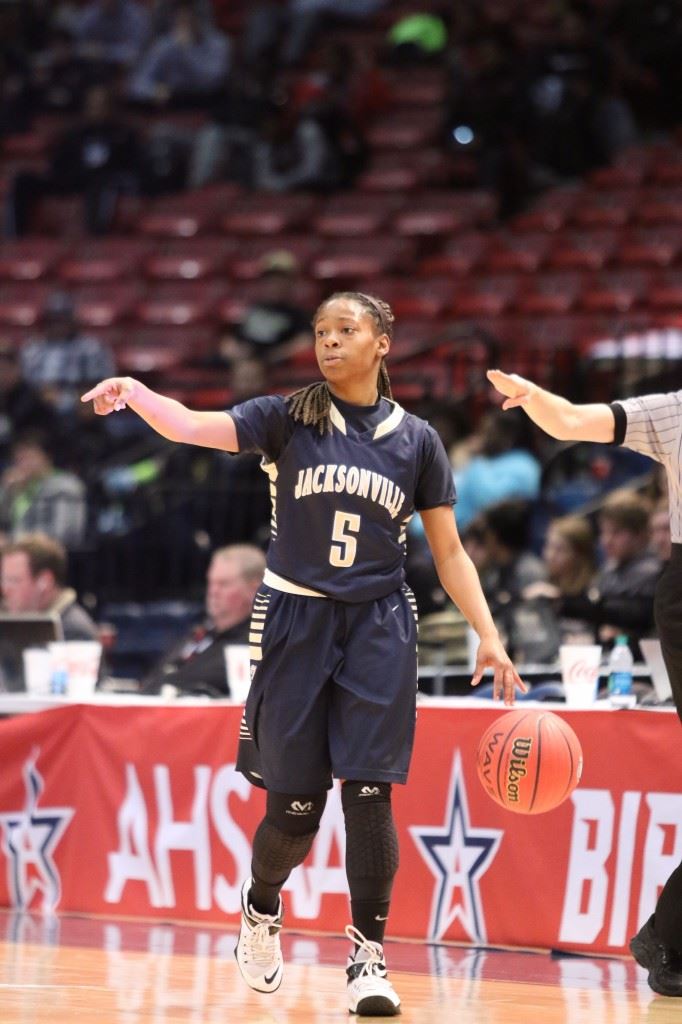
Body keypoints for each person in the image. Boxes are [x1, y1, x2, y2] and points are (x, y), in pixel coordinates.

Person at [82, 291, 523, 1017]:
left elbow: (448, 550)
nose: (329, 343)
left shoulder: (418, 442)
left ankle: (368, 959)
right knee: (294, 812)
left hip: (379, 625)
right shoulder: (286, 418)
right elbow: (194, 426)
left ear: (382, 343)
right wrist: (138, 394)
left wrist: (489, 632)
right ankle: (261, 908)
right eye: (321, 332)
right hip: (294, 621)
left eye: (346, 331)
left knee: (371, 793)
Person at [487, 367, 682, 999]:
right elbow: (574, 420)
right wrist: (540, 401)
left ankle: (667, 935)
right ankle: (668, 936)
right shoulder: (674, 412)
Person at [141, 544, 265, 696]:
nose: (213, 591)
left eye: (223, 584)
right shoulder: (201, 634)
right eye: (211, 582)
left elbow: (200, 677)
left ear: (255, 589)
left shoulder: (258, 642)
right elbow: (156, 678)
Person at [0, 532, 98, 640]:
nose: (4, 590)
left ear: (44, 582)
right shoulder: (25, 621)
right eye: (3, 580)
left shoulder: (72, 631)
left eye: (14, 580)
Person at [0, 431, 88, 548]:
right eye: (18, 459)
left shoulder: (65, 486)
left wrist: (15, 541)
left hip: (49, 557)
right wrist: (7, 491)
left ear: (47, 457)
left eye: (28, 457)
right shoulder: (18, 487)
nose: (22, 463)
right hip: (17, 553)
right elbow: (4, 522)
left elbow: (64, 533)